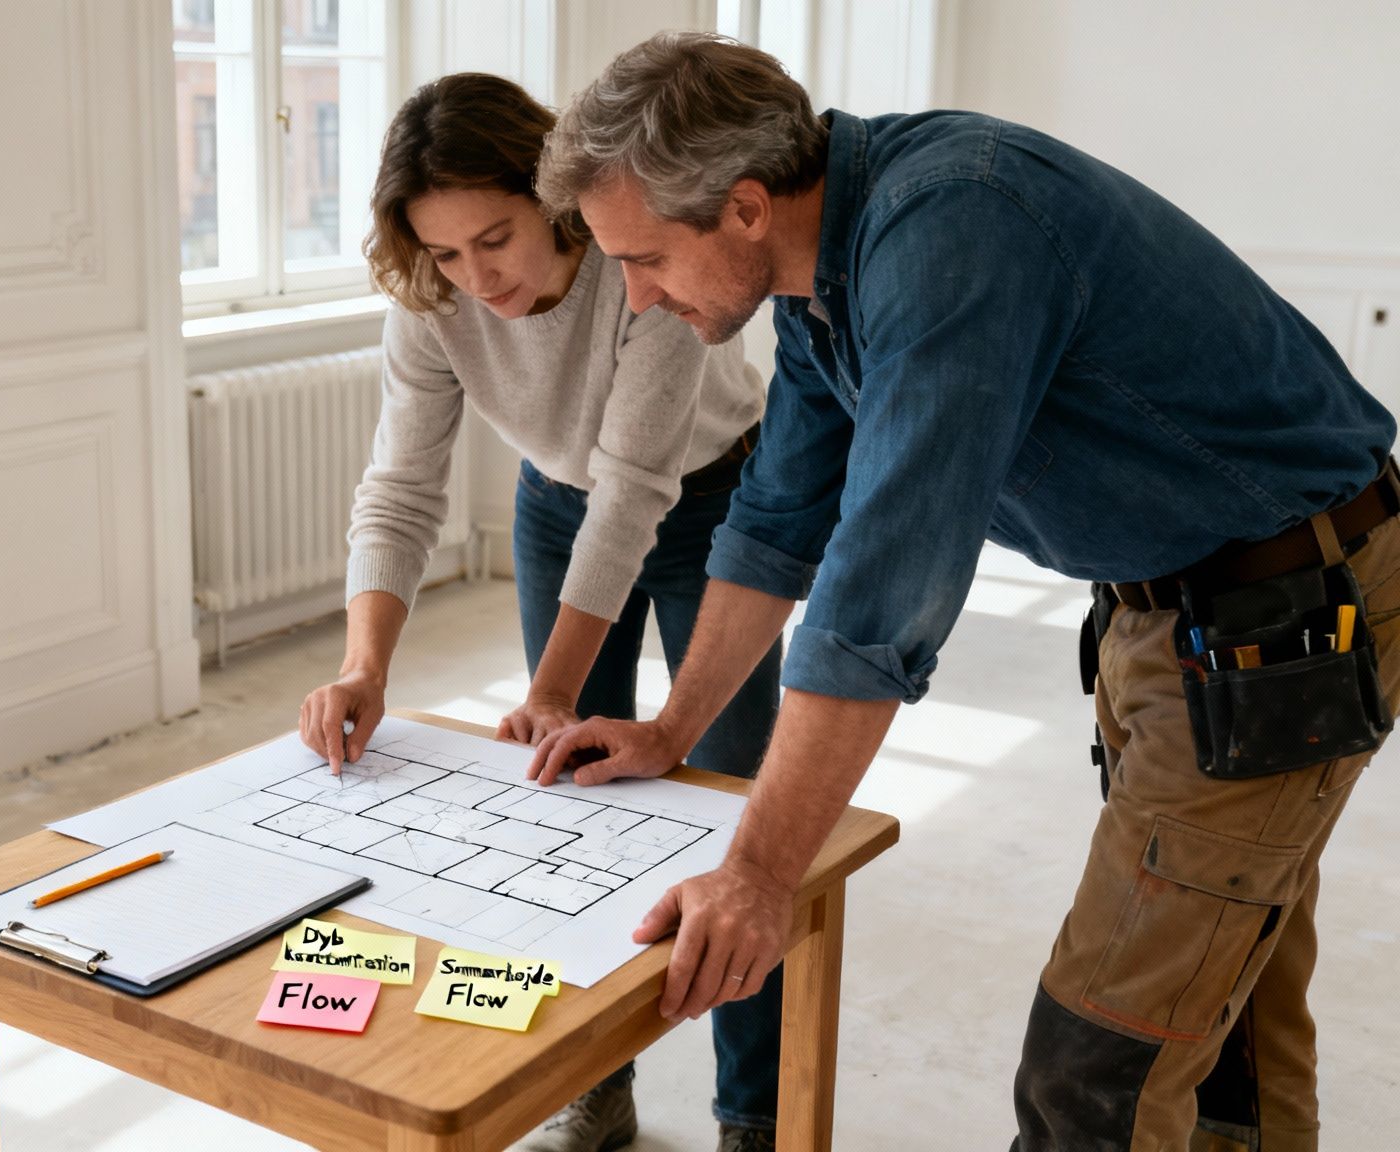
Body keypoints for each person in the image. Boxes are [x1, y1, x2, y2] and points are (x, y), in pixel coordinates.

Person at [527, 31, 1400, 1151]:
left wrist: (755, 874)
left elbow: (878, 597)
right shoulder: (819, 274)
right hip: (1162, 608)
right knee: (1222, 999)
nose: (637, 300)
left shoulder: (952, 232)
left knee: (1097, 1067)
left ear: (742, 207)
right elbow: (776, 524)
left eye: (642, 260)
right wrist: (668, 729)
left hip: (1283, 613)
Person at [295, 72, 783, 1152]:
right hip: (555, 507)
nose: (476, 277)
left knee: (739, 828)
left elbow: (635, 492)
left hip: (714, 506)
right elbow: (401, 488)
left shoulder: (636, 269)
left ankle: (754, 1110)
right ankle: (591, 1081)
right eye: (445, 253)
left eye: (495, 239)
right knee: (563, 803)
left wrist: (552, 686)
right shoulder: (433, 302)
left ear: (553, 199)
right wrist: (364, 665)